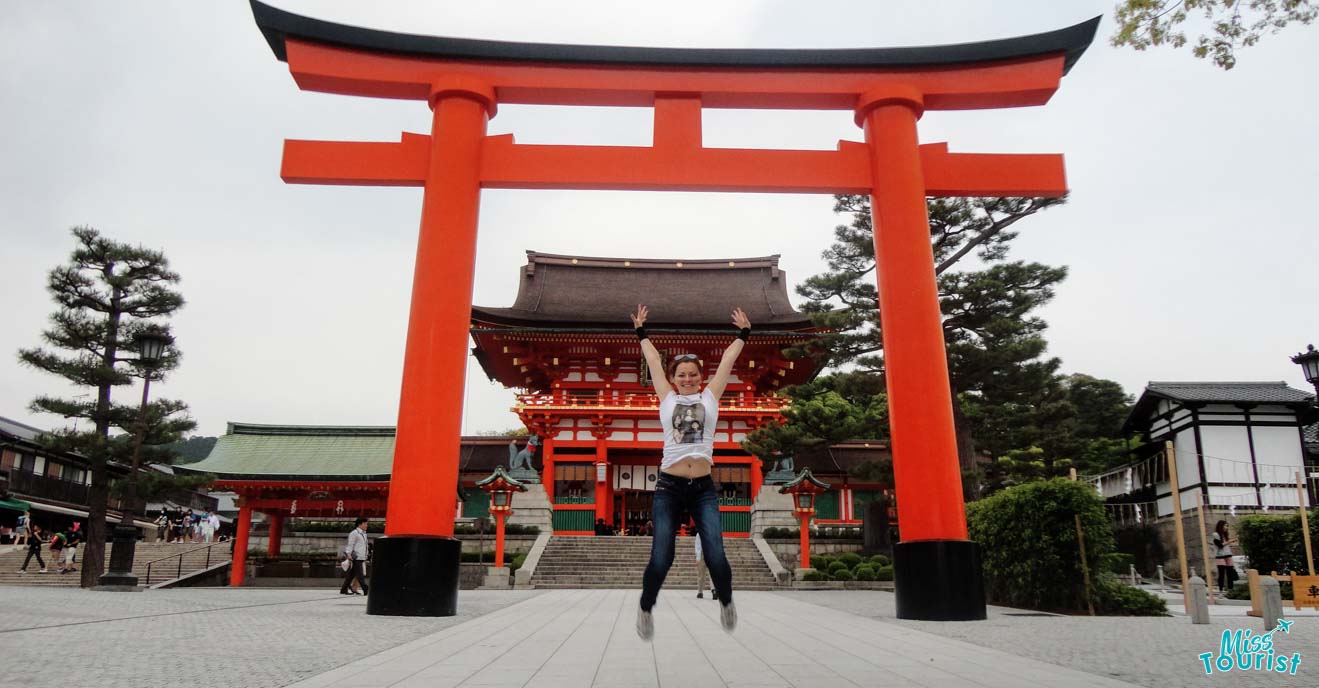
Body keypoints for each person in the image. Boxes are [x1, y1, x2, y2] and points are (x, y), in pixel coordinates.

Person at [631, 303, 747, 640]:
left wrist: (743, 335)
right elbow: (653, 361)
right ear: (674, 378)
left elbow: (727, 361)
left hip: (703, 487)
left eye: (692, 374)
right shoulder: (666, 398)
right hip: (669, 486)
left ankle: (725, 600)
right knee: (661, 556)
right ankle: (645, 607)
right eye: (681, 374)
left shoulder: (711, 397)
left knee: (715, 553)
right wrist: (641, 333)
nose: (687, 379)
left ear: (700, 376)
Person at [340, 517, 370, 596]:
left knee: (351, 575)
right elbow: (351, 544)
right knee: (360, 575)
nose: (367, 525)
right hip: (356, 557)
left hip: (361, 556)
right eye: (365, 523)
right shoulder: (354, 533)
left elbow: (364, 546)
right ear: (360, 524)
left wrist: (366, 555)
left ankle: (343, 589)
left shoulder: (364, 533)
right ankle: (365, 588)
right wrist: (349, 554)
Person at [1212, 520, 1236, 592]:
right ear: (1221, 526)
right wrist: (1230, 541)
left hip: (1228, 555)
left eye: (1227, 526)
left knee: (1230, 573)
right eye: (1225, 526)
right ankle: (1221, 590)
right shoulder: (1216, 535)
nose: (1226, 527)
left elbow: (1225, 545)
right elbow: (1220, 545)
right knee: (1222, 574)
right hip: (1220, 556)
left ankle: (1231, 590)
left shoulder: (1225, 535)